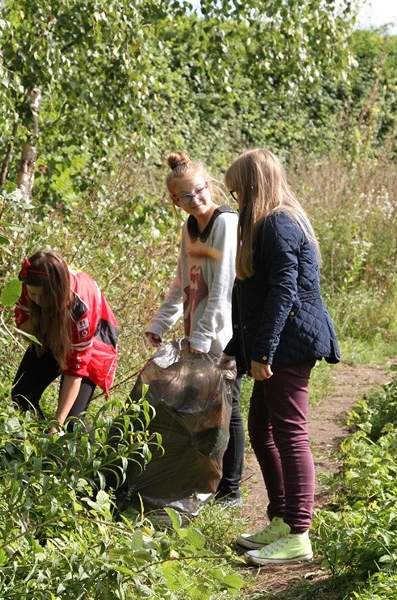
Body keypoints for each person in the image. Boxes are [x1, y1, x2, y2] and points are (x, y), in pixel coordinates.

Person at [221, 148, 340, 565]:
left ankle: (299, 533)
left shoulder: (279, 224)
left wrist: (264, 350)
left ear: (254, 187)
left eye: (238, 193)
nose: (236, 201)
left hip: (289, 343)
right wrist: (237, 349)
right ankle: (282, 518)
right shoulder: (270, 223)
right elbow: (249, 298)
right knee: (260, 427)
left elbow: (283, 292)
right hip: (277, 341)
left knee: (290, 432)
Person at [145, 151, 245, 507]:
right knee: (198, 410)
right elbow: (182, 283)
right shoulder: (189, 229)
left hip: (226, 335)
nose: (195, 200)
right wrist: (160, 322)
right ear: (175, 201)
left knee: (227, 409)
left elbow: (222, 289)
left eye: (199, 191)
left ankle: (231, 489)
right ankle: (198, 480)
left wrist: (202, 339)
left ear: (209, 185)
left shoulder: (225, 224)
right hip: (197, 334)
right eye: (185, 196)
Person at [12, 250, 119, 433]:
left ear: (55, 292)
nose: (35, 300)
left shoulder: (79, 310)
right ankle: (38, 446)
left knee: (72, 422)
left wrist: (57, 423)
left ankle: (89, 458)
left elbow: (74, 372)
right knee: (22, 394)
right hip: (55, 326)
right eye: (32, 294)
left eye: (40, 296)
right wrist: (44, 318)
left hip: (94, 338)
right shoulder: (30, 283)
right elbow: (24, 328)